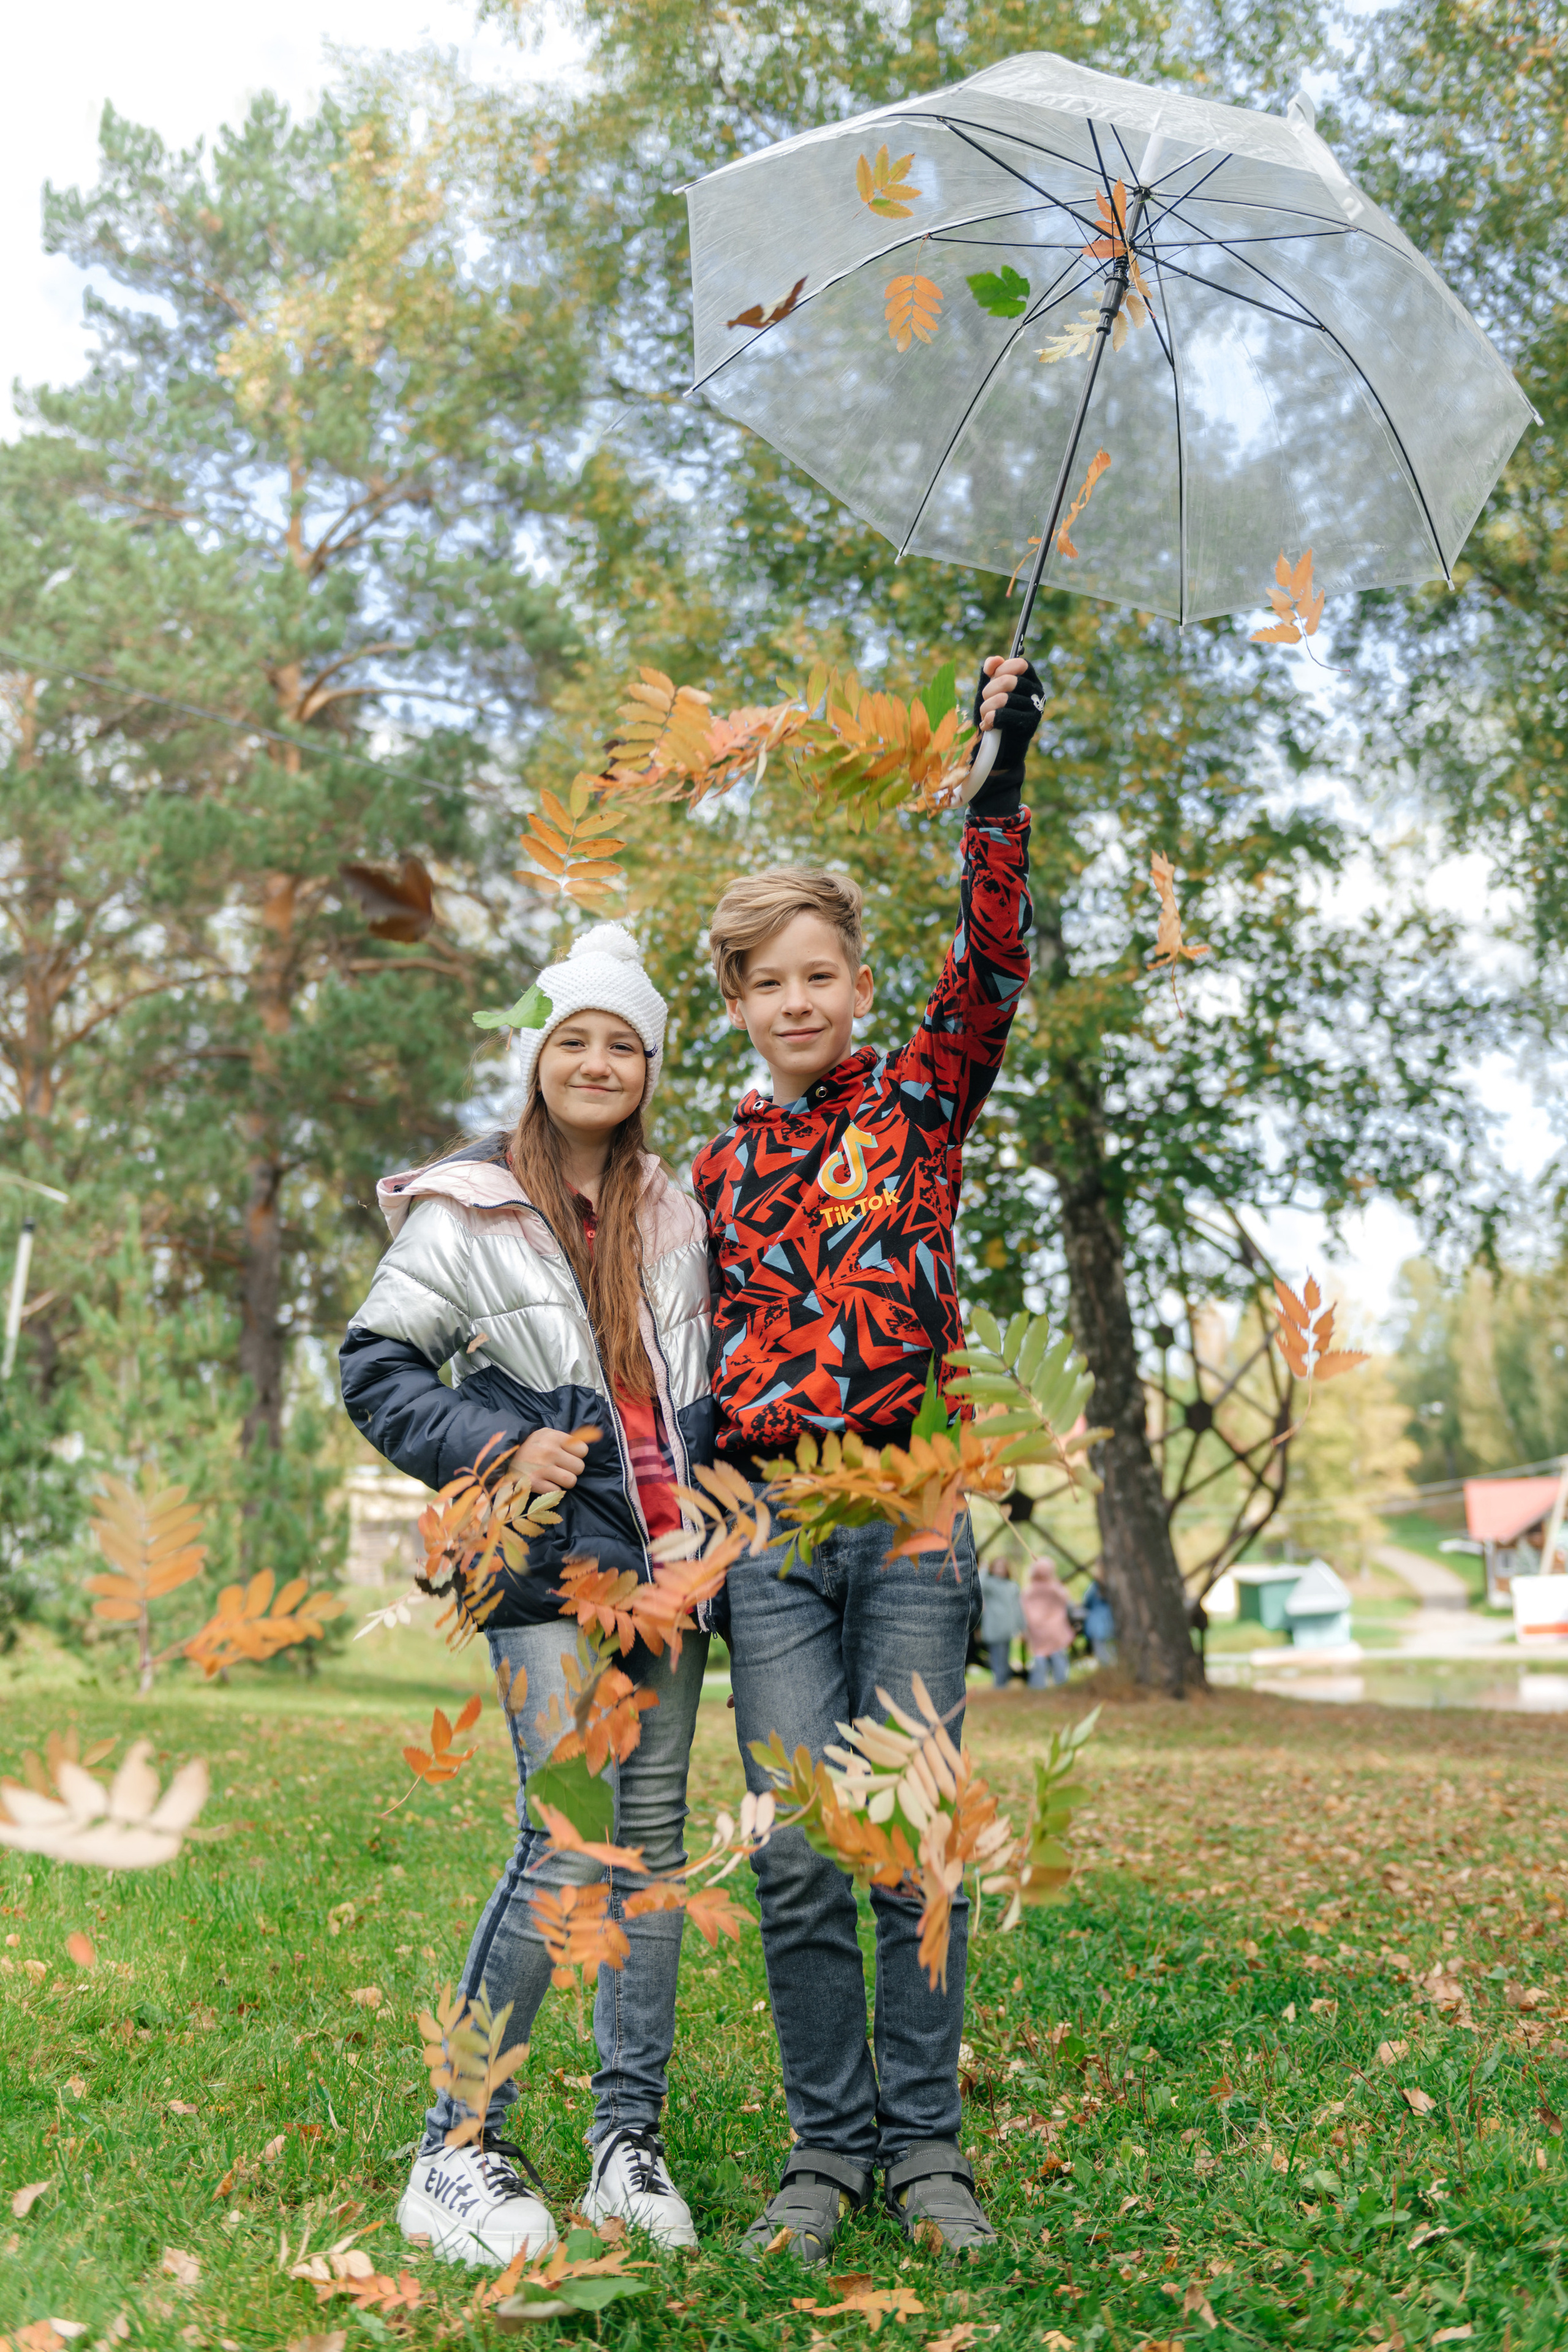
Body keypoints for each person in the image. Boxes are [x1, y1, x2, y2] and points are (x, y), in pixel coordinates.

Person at [691, 654, 1041, 2264]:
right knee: (804, 1858)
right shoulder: (709, 1166)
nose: (802, 1001)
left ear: (854, 982)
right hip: (768, 1539)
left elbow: (989, 972)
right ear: (740, 1004)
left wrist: (1000, 782)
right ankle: (825, 2152)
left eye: (824, 973)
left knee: (907, 1844)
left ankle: (928, 2151)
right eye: (770, 982)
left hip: (905, 1516)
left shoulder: (917, 1102)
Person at [339, 924, 714, 2266]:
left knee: (650, 1858)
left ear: (650, 1064)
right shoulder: (472, 1201)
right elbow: (375, 1364)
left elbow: (686, 1401)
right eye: (575, 1037)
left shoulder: (674, 1211)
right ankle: (455, 2148)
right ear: (539, 1056)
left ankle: (628, 2148)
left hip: (671, 1575)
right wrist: (491, 1446)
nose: (600, 1059)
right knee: (564, 1843)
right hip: (551, 1567)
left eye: (624, 1041)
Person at [1021, 1556, 1072, 1687]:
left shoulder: (1029, 1590)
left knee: (1040, 1656)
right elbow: (1065, 1599)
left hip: (1037, 1630)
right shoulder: (1054, 1587)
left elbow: (1023, 1608)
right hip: (1055, 1629)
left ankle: (1038, 1684)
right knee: (1058, 1654)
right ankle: (1061, 1681)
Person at [979, 1559, 1027, 1686]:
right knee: (996, 1656)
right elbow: (980, 1584)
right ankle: (1000, 1683)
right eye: (996, 1567)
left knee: (1005, 1656)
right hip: (993, 1627)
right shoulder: (989, 1584)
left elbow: (1017, 1608)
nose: (999, 1570)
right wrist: (983, 1570)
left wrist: (1022, 1627)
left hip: (1007, 1628)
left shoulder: (1012, 1586)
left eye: (1002, 1567)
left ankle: (1002, 1682)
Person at [1082, 1576, 1117, 1665]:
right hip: (1107, 1622)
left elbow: (1086, 1602)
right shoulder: (1100, 1590)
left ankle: (1108, 1666)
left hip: (1097, 1624)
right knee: (1110, 1647)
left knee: (1102, 1649)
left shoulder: (1093, 1590)